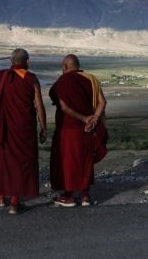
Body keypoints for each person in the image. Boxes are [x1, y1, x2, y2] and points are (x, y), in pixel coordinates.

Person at [0, 48, 47, 215]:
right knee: (22, 163)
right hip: (24, 128)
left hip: (4, 128)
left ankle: (1, 196)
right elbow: (39, 105)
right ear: (28, 62)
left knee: (3, 162)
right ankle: (15, 202)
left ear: (11, 62)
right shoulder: (31, 78)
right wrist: (44, 128)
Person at [49, 54, 107, 207]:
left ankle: (68, 196)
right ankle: (85, 196)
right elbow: (102, 102)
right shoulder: (91, 79)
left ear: (64, 67)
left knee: (68, 162)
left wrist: (84, 118)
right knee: (85, 160)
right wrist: (94, 118)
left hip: (67, 130)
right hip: (88, 130)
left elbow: (64, 107)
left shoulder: (62, 81)